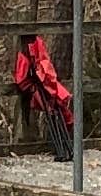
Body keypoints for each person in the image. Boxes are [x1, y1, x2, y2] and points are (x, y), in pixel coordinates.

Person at [9, 31, 77, 163]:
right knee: (55, 111)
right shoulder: (34, 49)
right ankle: (64, 148)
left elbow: (22, 79)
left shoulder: (33, 50)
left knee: (54, 111)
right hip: (42, 84)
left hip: (43, 84)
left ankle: (64, 149)